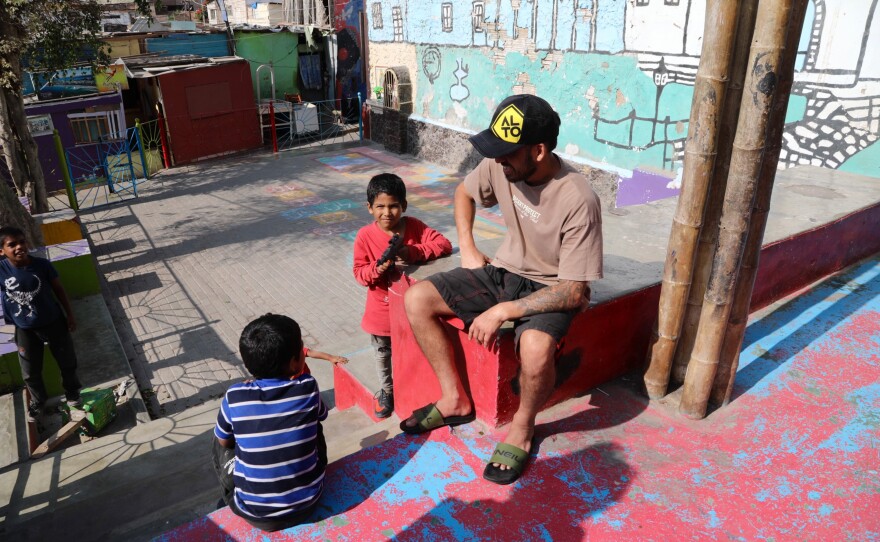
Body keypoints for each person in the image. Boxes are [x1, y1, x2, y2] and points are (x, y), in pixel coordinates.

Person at [401, 95, 603, 485]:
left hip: (552, 285)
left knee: (535, 347)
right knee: (417, 298)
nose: (497, 161)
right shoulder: (502, 165)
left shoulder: (578, 199)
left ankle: (523, 427)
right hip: (502, 273)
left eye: (507, 153)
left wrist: (504, 311)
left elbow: (576, 291)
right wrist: (469, 246)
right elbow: (464, 192)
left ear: (539, 151)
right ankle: (454, 399)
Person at [213, 313, 328, 531]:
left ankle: (229, 496)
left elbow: (223, 444)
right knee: (317, 420)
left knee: (220, 435)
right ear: (295, 362)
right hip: (310, 502)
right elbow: (322, 415)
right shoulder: (308, 386)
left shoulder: (234, 396)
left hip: (254, 513)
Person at [353, 173, 453, 418]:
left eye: (394, 206)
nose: (387, 213)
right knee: (383, 356)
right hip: (381, 314)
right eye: (380, 207)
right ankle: (387, 391)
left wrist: (411, 252)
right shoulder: (365, 236)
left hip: (414, 312)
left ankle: (415, 387)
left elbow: (444, 244)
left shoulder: (415, 227)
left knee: (414, 352)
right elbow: (358, 273)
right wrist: (376, 270)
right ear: (369, 208)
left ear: (404, 206)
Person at [0, 226, 82, 422]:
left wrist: (70, 315)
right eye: (12, 244)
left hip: (53, 322)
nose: (19, 247)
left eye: (22, 242)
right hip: (24, 328)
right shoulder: (1, 270)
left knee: (67, 362)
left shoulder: (42, 265)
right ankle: (38, 401)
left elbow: (59, 290)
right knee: (30, 371)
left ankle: (73, 393)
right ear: (2, 251)